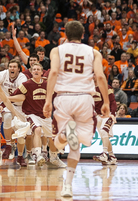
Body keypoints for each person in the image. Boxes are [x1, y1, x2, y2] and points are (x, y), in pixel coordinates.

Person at [43, 21, 110, 197]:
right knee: (80, 144)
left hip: (64, 97)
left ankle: (64, 136)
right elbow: (100, 77)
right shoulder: (93, 52)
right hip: (84, 98)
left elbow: (54, 73)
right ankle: (68, 186)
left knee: (57, 144)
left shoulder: (57, 50)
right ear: (83, 35)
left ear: (65, 35)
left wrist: (48, 100)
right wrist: (106, 102)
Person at [9, 63, 66, 168]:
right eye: (34, 69)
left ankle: (54, 158)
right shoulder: (26, 84)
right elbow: (13, 96)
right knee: (37, 130)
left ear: (41, 72)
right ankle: (37, 155)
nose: (35, 71)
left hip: (45, 115)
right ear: (31, 72)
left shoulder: (47, 85)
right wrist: (2, 103)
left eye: (38, 69)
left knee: (52, 137)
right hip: (31, 114)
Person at [0, 59, 28, 166]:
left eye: (14, 67)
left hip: (20, 106)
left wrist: (5, 99)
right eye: (10, 66)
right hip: (7, 104)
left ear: (19, 69)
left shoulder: (22, 78)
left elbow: (22, 96)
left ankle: (21, 155)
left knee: (21, 132)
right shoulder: (3, 74)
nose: (12, 68)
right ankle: (8, 145)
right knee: (6, 119)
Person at [92, 75, 118, 165]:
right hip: (98, 116)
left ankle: (104, 154)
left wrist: (113, 113)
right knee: (104, 137)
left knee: (104, 132)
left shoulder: (106, 87)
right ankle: (112, 157)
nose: (92, 76)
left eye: (94, 74)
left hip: (108, 115)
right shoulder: (90, 88)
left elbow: (113, 101)